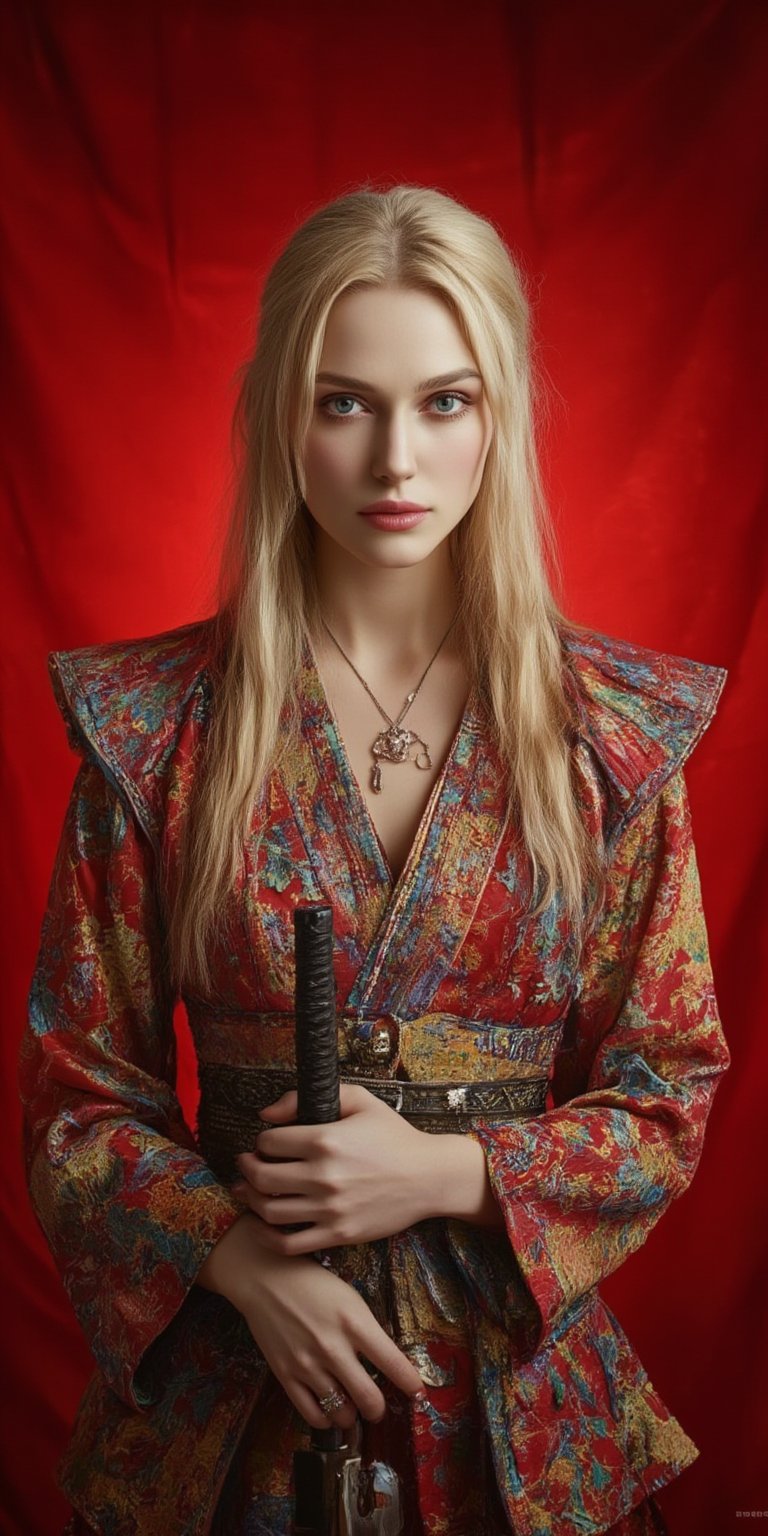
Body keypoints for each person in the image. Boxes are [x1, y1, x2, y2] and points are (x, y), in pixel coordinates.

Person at [20, 184, 730, 1536]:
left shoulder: (609, 741)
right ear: (282, 416)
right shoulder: (160, 730)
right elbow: (75, 1095)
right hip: (237, 1419)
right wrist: (228, 1256)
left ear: (499, 417)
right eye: (345, 402)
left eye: (444, 402)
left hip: (522, 1425)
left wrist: (455, 1174)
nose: (395, 458)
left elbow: (669, 1086)